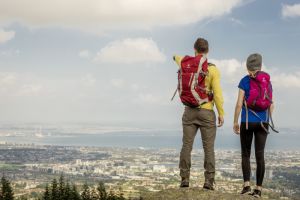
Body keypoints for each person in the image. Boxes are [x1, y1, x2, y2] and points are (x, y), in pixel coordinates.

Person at [173, 38, 224, 190]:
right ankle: (208, 182)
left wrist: (176, 58)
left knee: (186, 146)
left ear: (194, 49)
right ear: (207, 51)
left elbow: (175, 57)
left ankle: (184, 179)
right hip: (207, 112)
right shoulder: (213, 69)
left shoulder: (184, 63)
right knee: (208, 148)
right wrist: (221, 113)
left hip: (189, 111)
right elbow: (218, 94)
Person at [233, 53, 274, 198]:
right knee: (260, 155)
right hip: (263, 122)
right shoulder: (267, 82)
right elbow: (271, 105)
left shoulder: (244, 80)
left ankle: (246, 186)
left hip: (247, 122)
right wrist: (266, 119)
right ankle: (258, 189)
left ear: (247, 67)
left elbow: (239, 104)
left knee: (245, 154)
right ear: (260, 66)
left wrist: (235, 121)